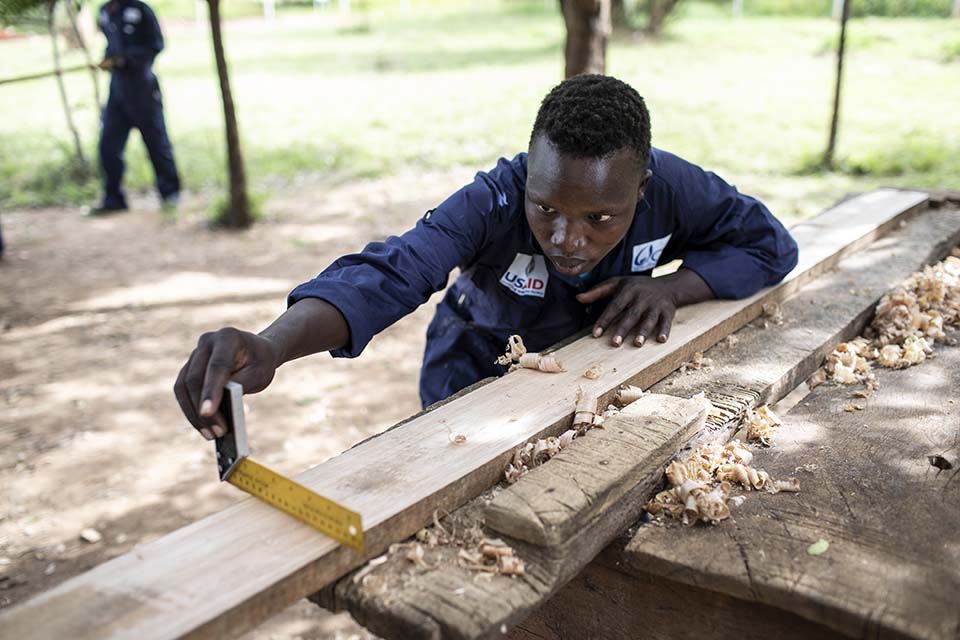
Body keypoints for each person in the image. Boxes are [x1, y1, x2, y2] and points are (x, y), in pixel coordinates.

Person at [174, 75, 799, 440]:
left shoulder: (676, 188)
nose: (567, 239)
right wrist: (273, 344)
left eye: (599, 219)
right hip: (472, 365)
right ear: (530, 177)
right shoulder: (493, 199)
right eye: (547, 207)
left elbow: (770, 245)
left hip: (590, 374)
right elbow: (396, 270)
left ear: (642, 190)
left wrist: (674, 288)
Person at [89, 0, 180, 215]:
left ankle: (170, 194)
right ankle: (113, 197)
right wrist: (108, 60)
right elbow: (111, 43)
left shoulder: (141, 10)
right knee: (108, 146)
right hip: (117, 91)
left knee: (157, 143)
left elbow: (156, 45)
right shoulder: (105, 11)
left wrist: (126, 60)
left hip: (142, 88)